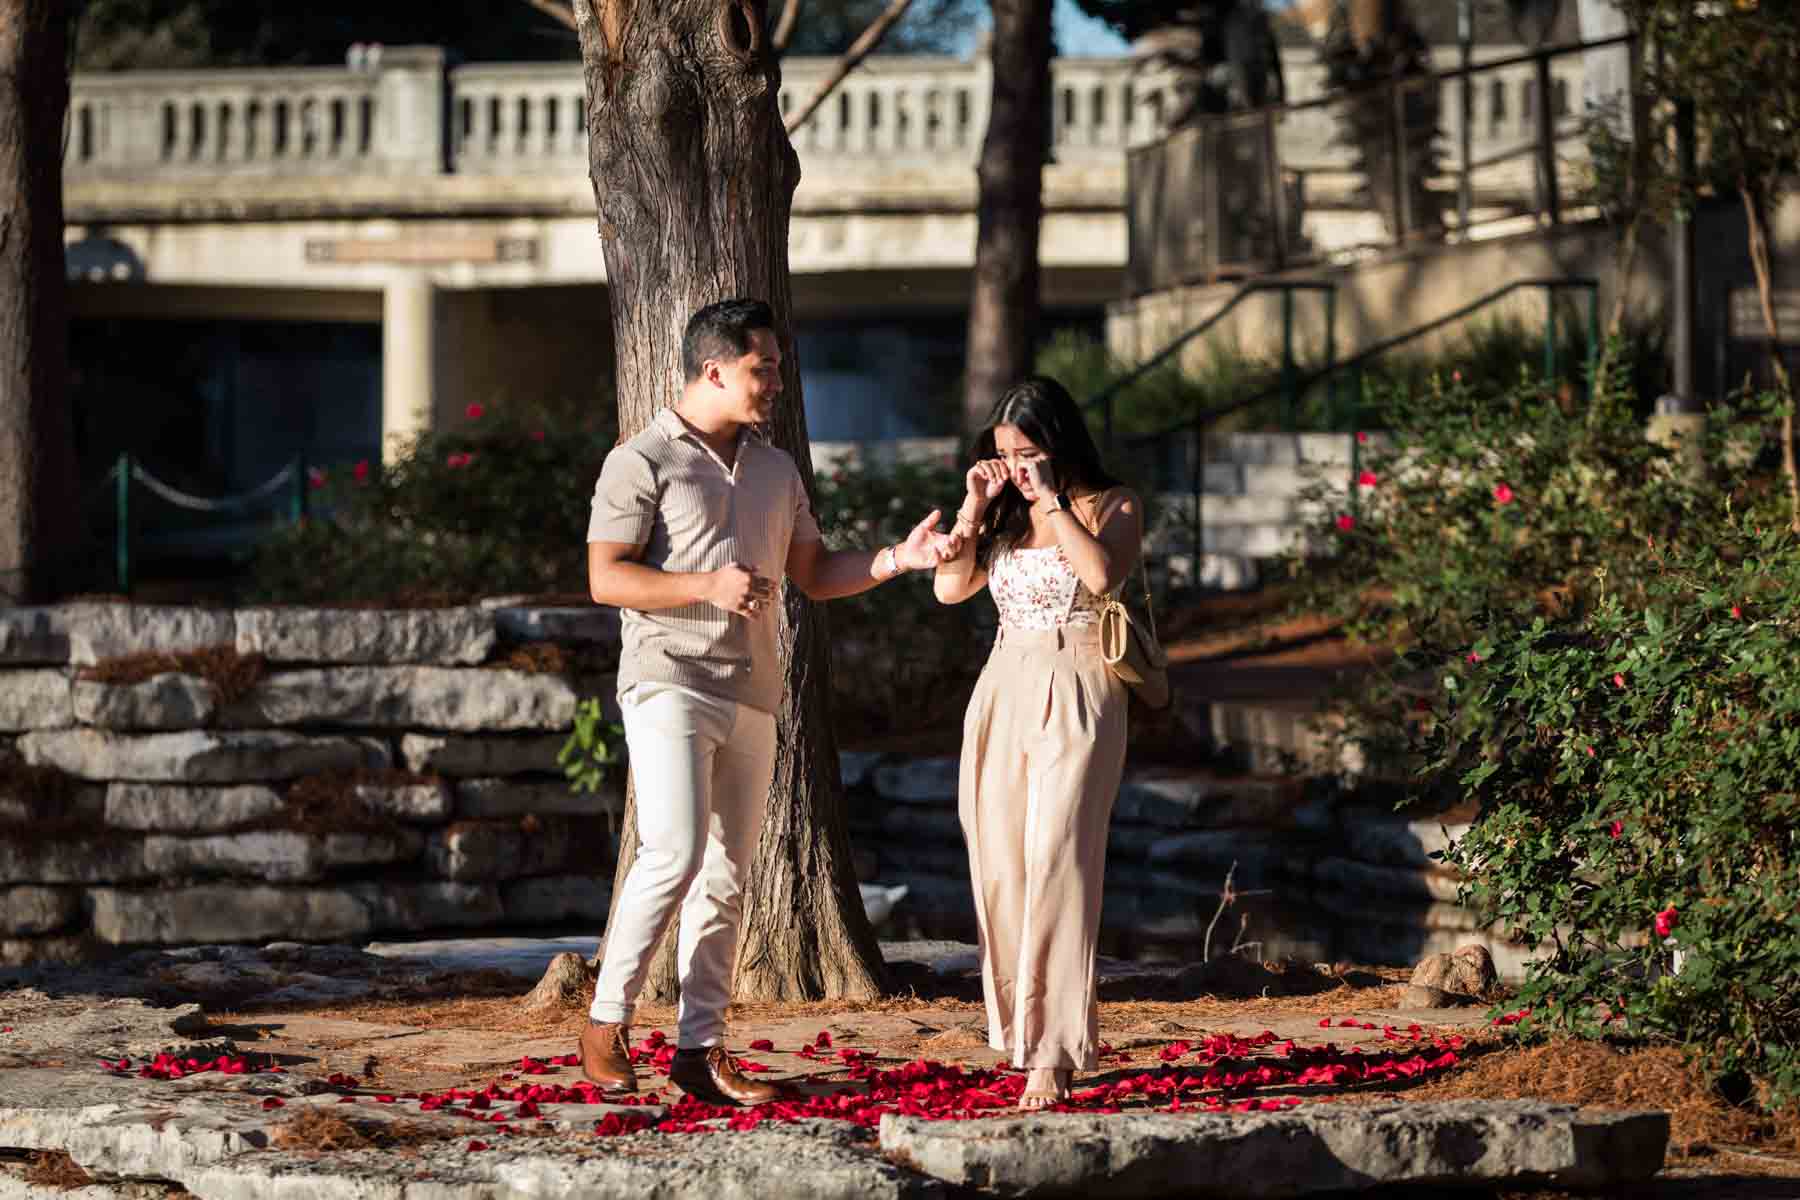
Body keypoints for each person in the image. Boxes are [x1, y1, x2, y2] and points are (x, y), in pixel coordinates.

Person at [578, 298, 957, 1106]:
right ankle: (606, 1020)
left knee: (727, 877)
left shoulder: (777, 468)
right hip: (666, 679)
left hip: (752, 690)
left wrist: (898, 558)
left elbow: (815, 574)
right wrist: (704, 585)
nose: (778, 381)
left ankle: (698, 1051)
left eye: (779, 366)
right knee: (673, 851)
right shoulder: (640, 461)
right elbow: (607, 578)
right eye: (765, 367)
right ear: (714, 369)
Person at [933, 375, 1142, 1110]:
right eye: (1004, 454)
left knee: (1060, 859)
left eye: (1027, 452)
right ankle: (1017, 1032)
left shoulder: (1110, 505)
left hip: (1080, 681)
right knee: (1001, 862)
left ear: (1058, 444)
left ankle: (1053, 1052)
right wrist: (976, 504)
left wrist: (1052, 497)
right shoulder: (1003, 515)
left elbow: (1101, 573)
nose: (1017, 465)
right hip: (1004, 684)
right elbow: (949, 588)